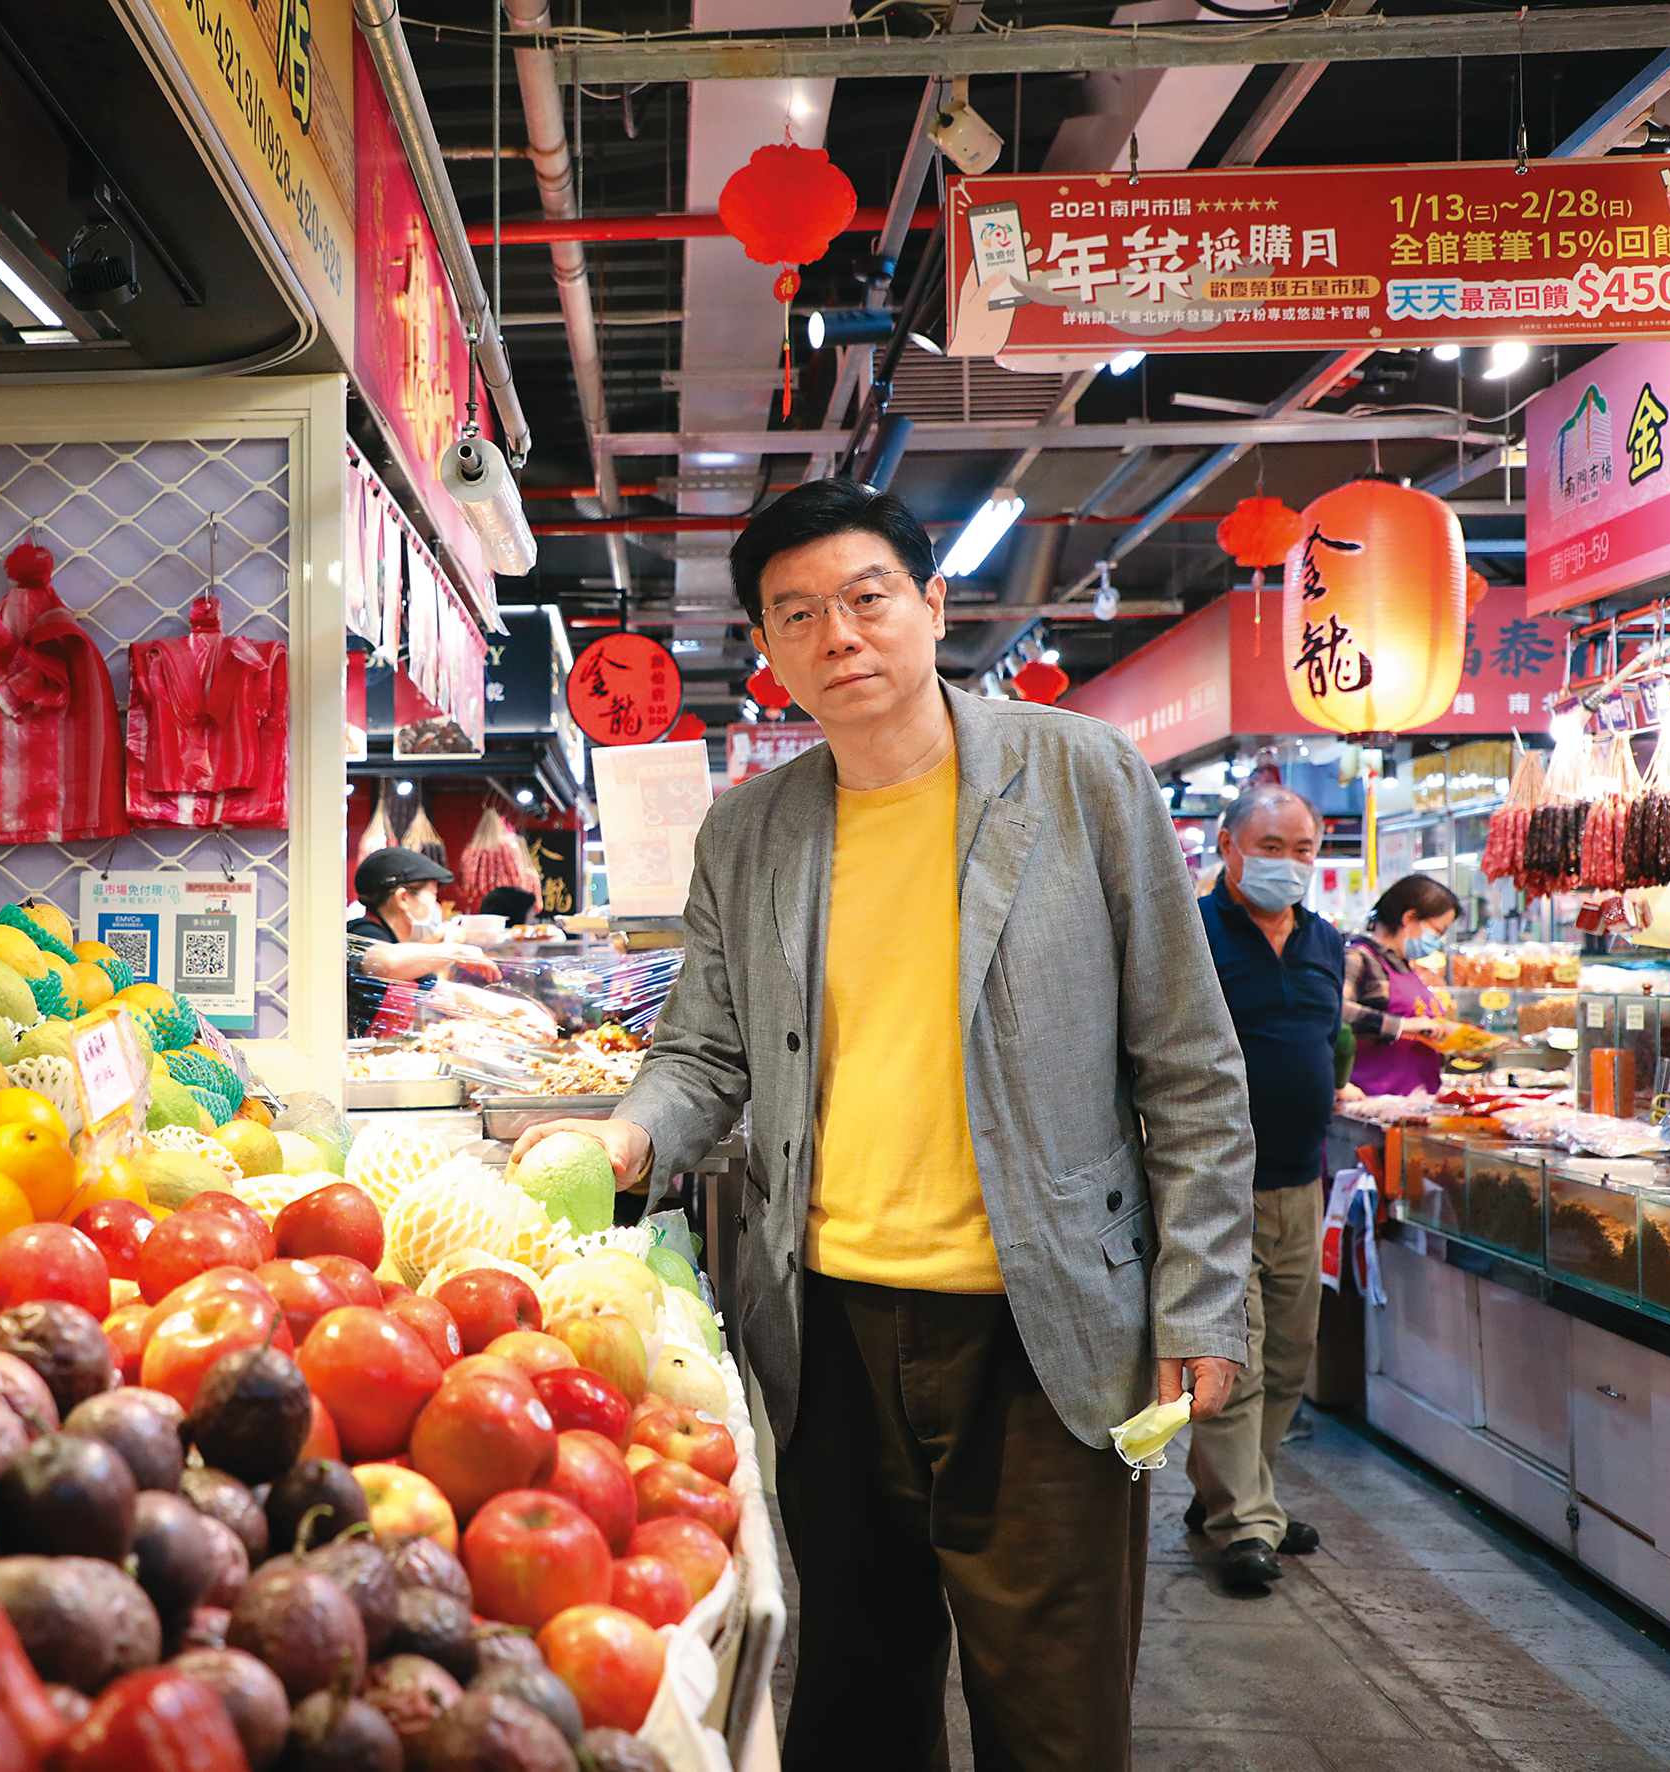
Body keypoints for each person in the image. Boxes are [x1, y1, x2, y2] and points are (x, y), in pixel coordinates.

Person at [510, 480, 1253, 1771]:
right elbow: (700, 1054)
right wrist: (631, 1135)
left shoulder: (1080, 780)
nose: (838, 636)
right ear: (767, 647)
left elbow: (1189, 1066)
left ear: (931, 602)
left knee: (1056, 1720)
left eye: (865, 598)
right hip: (828, 1337)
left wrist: (1200, 1302)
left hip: (1046, 1335)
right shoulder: (750, 833)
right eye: (796, 614)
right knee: (855, 1704)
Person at [1188, 783, 1345, 1595]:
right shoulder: (1191, 932)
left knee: (1288, 1358)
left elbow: (1327, 1040)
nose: (1289, 864)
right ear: (1229, 847)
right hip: (1217, 1187)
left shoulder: (1324, 942)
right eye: (1272, 847)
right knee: (1234, 1356)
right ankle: (1244, 1523)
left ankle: (1239, 1494)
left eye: (1304, 850)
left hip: (1300, 1180)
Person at [346, 846, 495, 1036]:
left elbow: (448, 994)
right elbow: (385, 962)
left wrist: (521, 1011)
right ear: (403, 899)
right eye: (433, 896)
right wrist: (455, 951)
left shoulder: (403, 951)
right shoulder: (363, 931)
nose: (436, 906)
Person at [1344, 875, 1465, 1096]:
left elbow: (1419, 1034)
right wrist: (1402, 1026)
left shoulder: (1406, 966)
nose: (1438, 940)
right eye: (1438, 931)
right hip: (1374, 1103)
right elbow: (1336, 1013)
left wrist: (1456, 1045)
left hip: (1416, 1103)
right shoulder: (1358, 958)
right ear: (1410, 919)